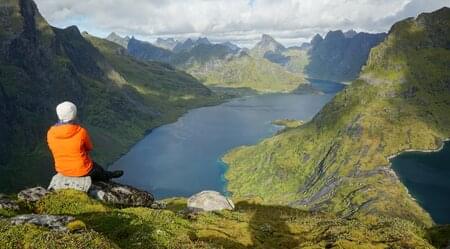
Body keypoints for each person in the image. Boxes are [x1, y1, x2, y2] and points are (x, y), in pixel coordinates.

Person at [47, 101, 123, 182]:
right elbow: (89, 147)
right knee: (97, 169)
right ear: (74, 115)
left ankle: (107, 175)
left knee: (95, 166)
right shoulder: (81, 131)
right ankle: (109, 176)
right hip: (82, 170)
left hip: (61, 169)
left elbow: (52, 147)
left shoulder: (50, 133)